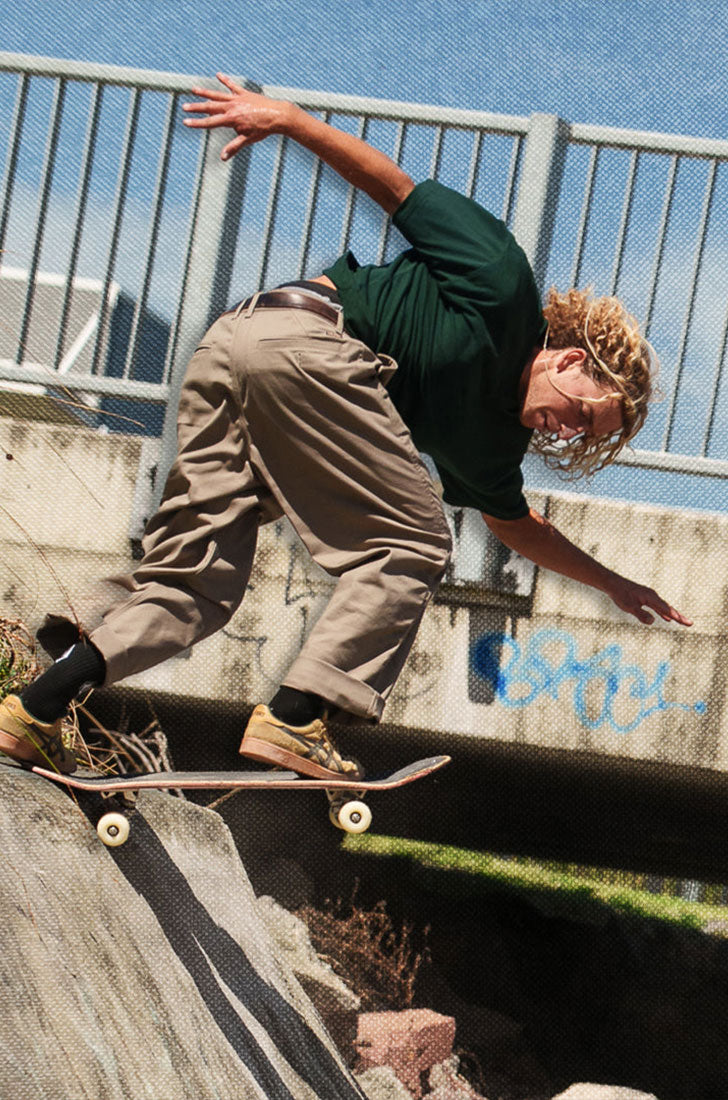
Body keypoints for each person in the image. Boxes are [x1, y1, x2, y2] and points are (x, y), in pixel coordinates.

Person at [0, 75, 691, 778]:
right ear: (572, 360)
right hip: (303, 345)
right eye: (581, 412)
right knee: (417, 538)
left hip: (236, 356)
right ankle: (297, 719)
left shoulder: (489, 443)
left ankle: (35, 707)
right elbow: (397, 191)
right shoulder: (500, 285)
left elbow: (517, 527)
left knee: (197, 585)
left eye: (579, 436)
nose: (567, 431)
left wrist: (611, 583)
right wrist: (291, 120)